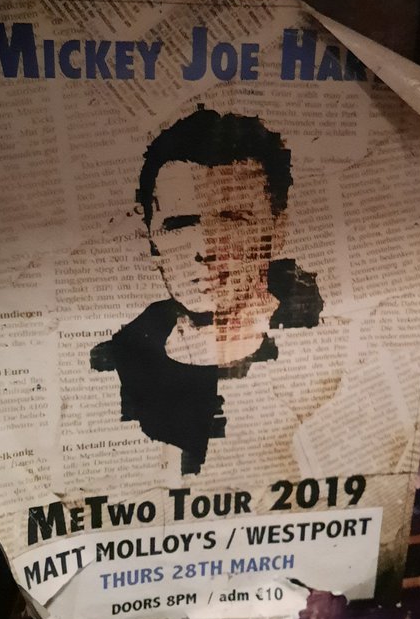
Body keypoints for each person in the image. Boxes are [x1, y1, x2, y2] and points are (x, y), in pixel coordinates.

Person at [90, 108, 322, 475]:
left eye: (233, 221)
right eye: (179, 225)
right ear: (150, 237)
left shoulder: (322, 337)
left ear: (277, 230)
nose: (205, 248)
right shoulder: (115, 356)